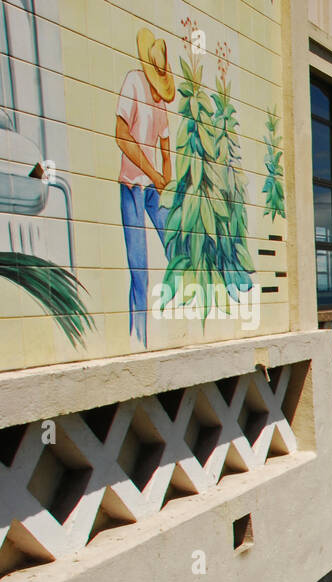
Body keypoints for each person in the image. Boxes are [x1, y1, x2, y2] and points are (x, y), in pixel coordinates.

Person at [116, 28, 176, 347]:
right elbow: (121, 135)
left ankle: (180, 327)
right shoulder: (133, 83)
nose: (158, 95)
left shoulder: (158, 99)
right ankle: (139, 341)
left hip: (153, 189)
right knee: (139, 270)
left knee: (177, 247)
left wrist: (167, 177)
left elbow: (167, 148)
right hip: (132, 187)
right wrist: (154, 172)